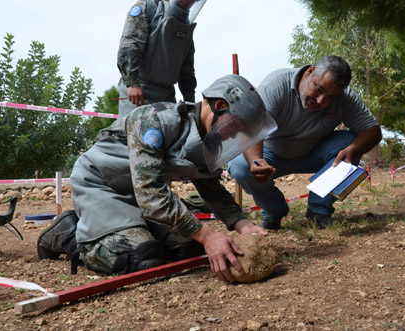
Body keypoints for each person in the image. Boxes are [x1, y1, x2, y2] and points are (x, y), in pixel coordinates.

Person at [37, 74, 277, 283]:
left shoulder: (207, 140)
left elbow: (210, 187)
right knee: (143, 259)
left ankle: (127, 229)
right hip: (102, 186)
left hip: (140, 196)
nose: (235, 134)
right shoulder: (154, 120)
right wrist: (208, 235)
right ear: (221, 106)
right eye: (237, 126)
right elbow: (151, 195)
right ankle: (68, 233)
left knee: (188, 249)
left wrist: (243, 225)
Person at [228, 56, 382, 230]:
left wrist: (353, 149)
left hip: (314, 152)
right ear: (310, 72)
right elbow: (252, 128)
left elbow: (373, 131)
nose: (320, 101)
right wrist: (256, 160)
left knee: (351, 142)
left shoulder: (346, 97)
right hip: (271, 155)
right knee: (240, 165)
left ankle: (318, 211)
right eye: (319, 89)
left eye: (330, 98)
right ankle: (274, 211)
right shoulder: (276, 84)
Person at [117, 0, 204, 118]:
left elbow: (187, 68)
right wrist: (132, 83)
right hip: (139, 92)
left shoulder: (185, 24)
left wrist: (190, 101)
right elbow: (130, 45)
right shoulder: (148, 7)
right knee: (136, 132)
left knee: (168, 132)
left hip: (166, 95)